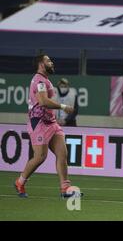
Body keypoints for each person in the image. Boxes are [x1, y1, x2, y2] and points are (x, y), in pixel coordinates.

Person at [14, 54, 82, 198]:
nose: (51, 62)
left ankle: (65, 189)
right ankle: (20, 182)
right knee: (40, 157)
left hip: (51, 122)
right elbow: (44, 101)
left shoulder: (45, 80)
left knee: (62, 154)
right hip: (38, 123)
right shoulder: (39, 80)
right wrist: (63, 106)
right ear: (41, 64)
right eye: (48, 61)